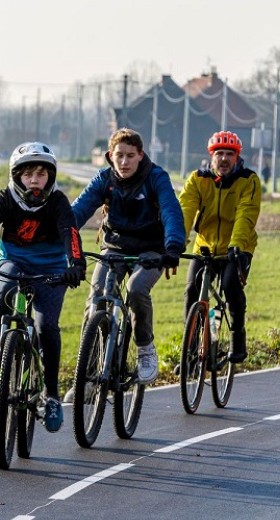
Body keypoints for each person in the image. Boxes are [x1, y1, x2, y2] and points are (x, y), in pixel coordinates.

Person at [0, 142, 85, 433]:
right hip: (14, 261)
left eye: (41, 174)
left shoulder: (58, 201)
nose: (35, 180)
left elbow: (70, 233)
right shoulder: (6, 198)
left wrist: (76, 264)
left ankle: (51, 396)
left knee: (46, 326)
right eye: (28, 174)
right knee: (5, 288)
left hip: (51, 269)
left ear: (50, 177)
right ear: (16, 177)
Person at [70, 127, 185, 386]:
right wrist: (58, 237)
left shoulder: (156, 177)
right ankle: (87, 377)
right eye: (119, 155)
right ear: (110, 155)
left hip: (152, 250)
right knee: (96, 297)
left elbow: (171, 211)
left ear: (140, 155)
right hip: (115, 247)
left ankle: (145, 348)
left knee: (136, 289)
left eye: (130, 156)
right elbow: (78, 210)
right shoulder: (104, 179)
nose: (124, 162)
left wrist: (173, 247)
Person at [178, 130, 261, 363]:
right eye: (219, 153)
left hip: (237, 246)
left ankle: (237, 336)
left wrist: (237, 245)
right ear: (211, 156)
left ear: (237, 157)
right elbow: (186, 209)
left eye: (229, 154)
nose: (224, 159)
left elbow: (246, 214)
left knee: (230, 285)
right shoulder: (198, 179)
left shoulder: (248, 180)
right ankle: (190, 352)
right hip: (204, 246)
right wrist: (177, 240)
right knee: (192, 291)